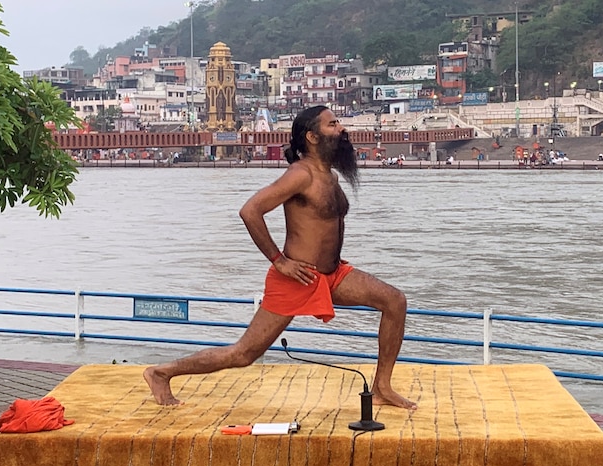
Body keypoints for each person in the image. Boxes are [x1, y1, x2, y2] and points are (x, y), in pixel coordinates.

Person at [144, 105, 416, 410]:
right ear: (312, 137)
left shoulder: (331, 178)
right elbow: (250, 211)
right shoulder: (300, 174)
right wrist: (279, 260)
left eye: (339, 123)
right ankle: (161, 372)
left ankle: (382, 386)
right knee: (243, 354)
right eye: (332, 125)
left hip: (332, 275)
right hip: (296, 278)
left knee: (394, 301)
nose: (341, 129)